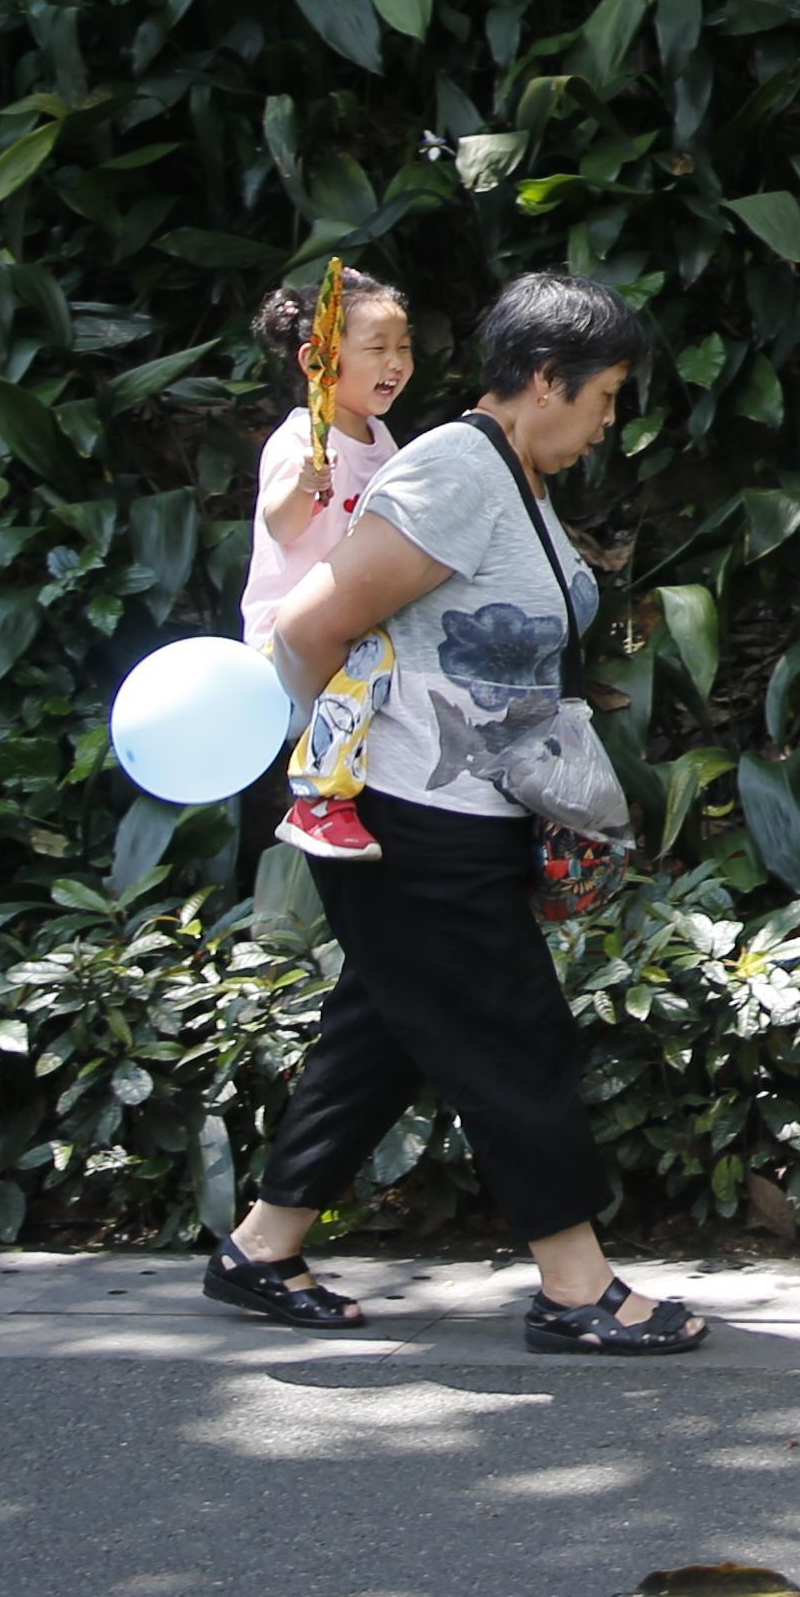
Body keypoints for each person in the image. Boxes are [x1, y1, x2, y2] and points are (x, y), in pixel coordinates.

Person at [204, 270, 705, 1356]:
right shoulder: (453, 473)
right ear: (542, 377)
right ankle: (576, 1290)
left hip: (455, 809)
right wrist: (345, 757)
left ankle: (260, 1248)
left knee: (385, 1029)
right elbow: (307, 623)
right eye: (605, 394)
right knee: (513, 1034)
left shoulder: (509, 477)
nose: (609, 420)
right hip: (408, 818)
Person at [243, 270, 412, 863]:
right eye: (376, 349)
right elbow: (279, 525)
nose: (395, 362)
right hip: (291, 637)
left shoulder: (382, 440)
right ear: (319, 360)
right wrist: (303, 488)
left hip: (355, 623)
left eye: (403, 346)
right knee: (379, 656)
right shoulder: (298, 443)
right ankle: (317, 799)